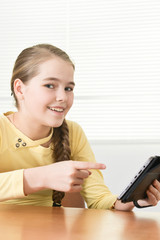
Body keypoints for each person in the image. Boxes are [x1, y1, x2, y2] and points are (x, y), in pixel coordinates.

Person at [0, 43, 159, 211]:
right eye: (49, 85)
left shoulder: (73, 132)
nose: (62, 97)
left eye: (68, 88)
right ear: (20, 89)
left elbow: (98, 199)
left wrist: (132, 201)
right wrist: (41, 176)